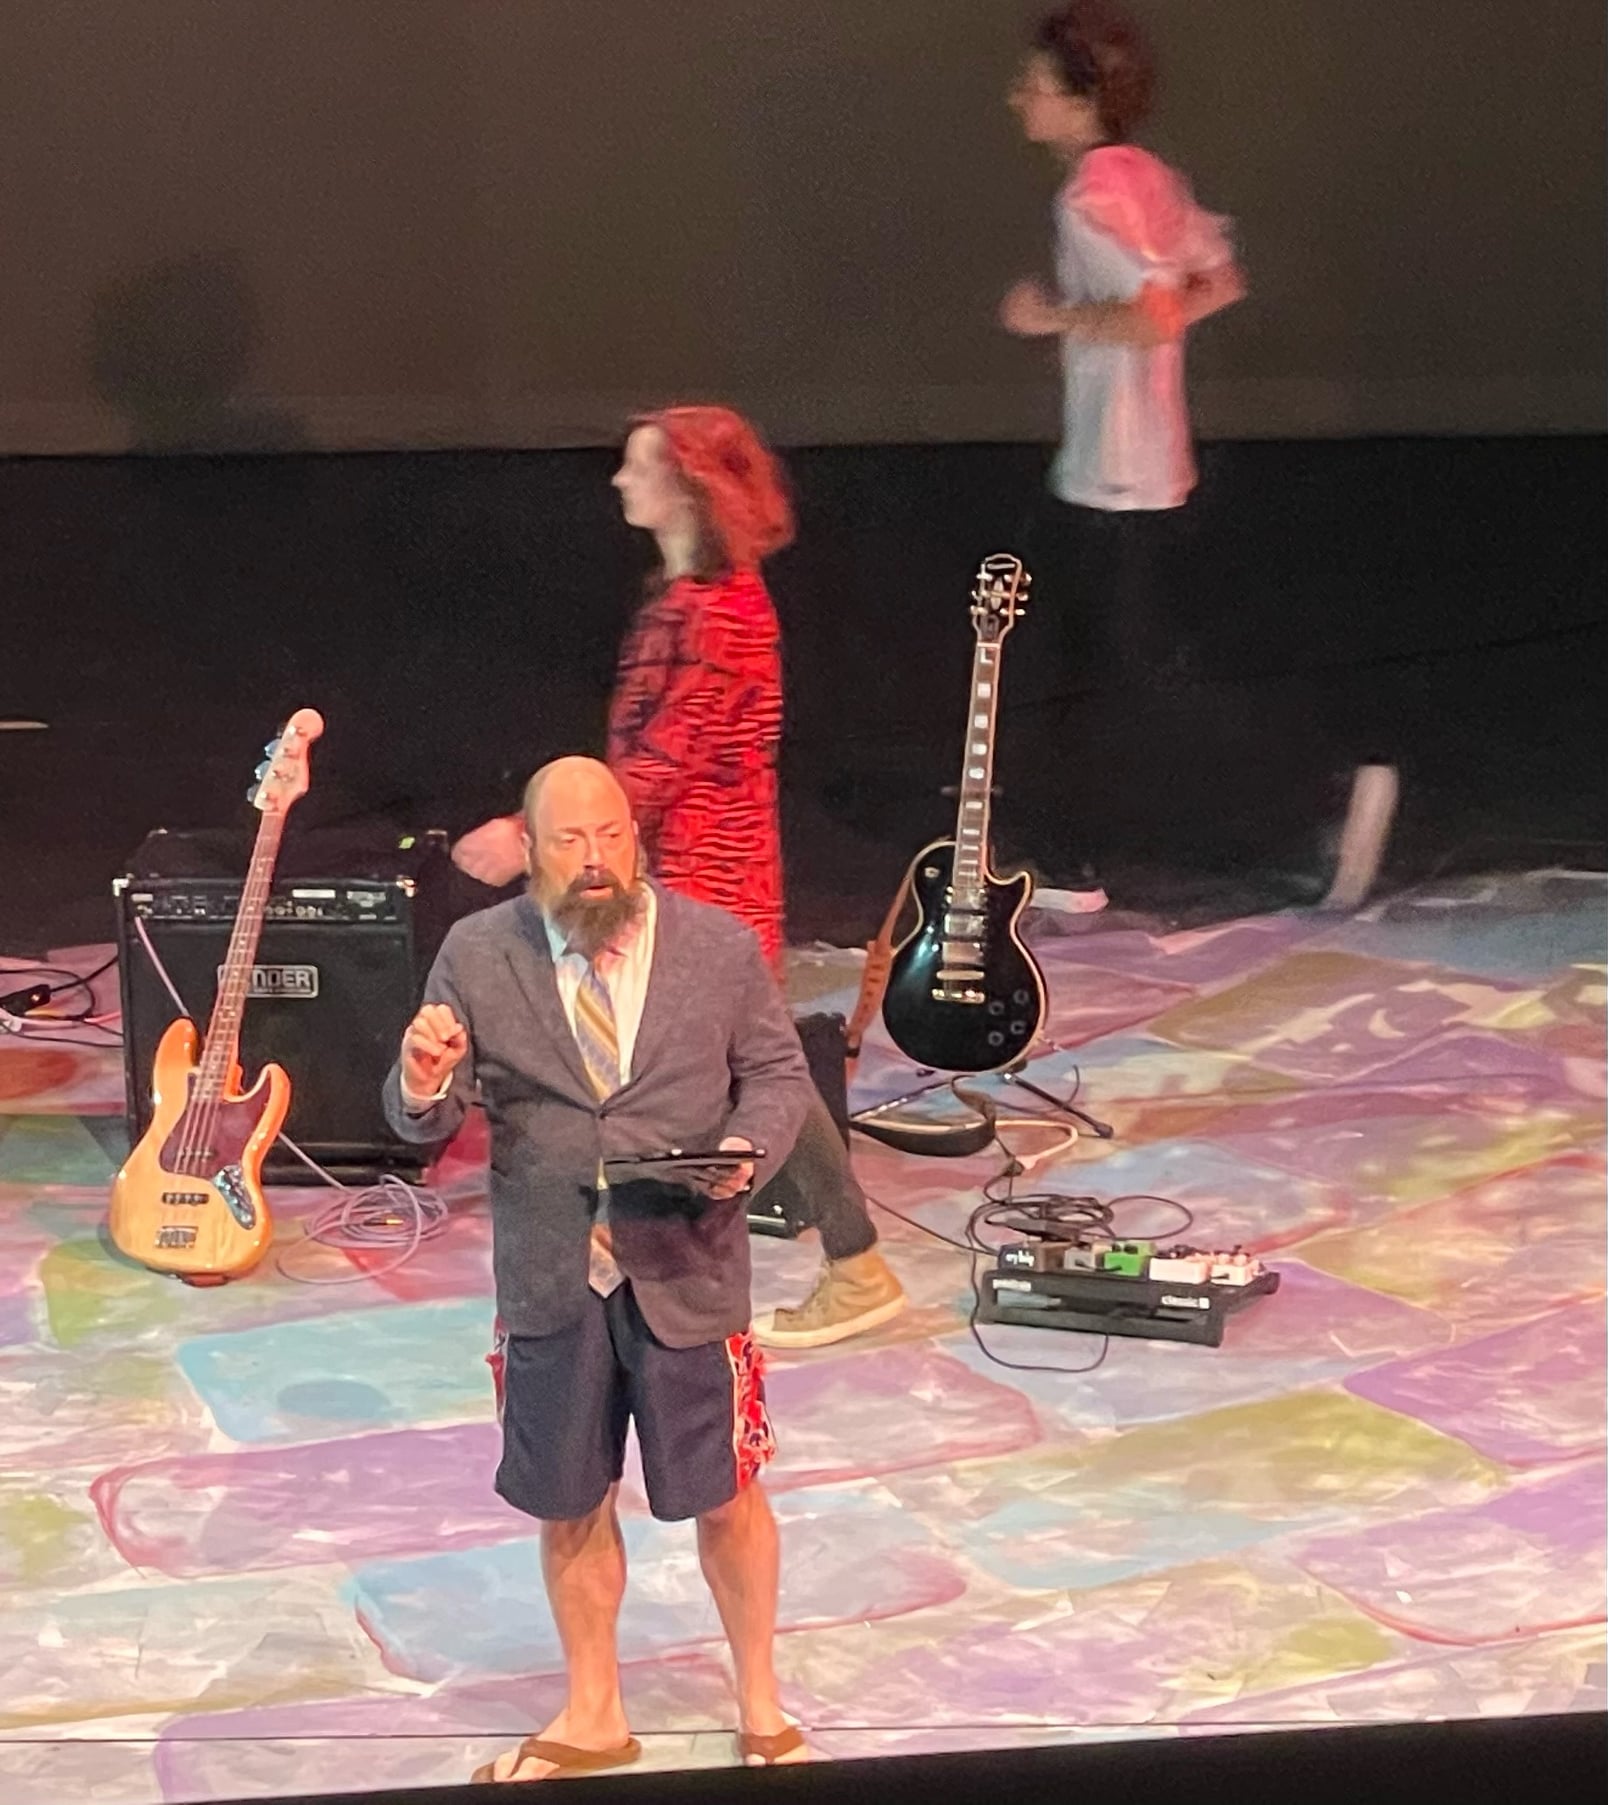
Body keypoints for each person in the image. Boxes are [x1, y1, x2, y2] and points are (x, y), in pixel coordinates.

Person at [385, 756, 814, 1780]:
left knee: (727, 1493)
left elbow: (777, 1072)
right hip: (553, 1275)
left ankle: (760, 1699)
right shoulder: (477, 951)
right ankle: (593, 1712)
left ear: (636, 838)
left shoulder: (715, 945)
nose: (595, 858)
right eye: (571, 839)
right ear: (529, 849)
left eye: (612, 834)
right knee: (570, 1501)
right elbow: (421, 1118)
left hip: (686, 1265)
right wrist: (420, 1078)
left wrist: (748, 1151)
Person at [452, 405, 906, 1349]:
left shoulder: (716, 612)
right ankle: (645, 1234)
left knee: (754, 1064)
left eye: (639, 467)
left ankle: (855, 1261)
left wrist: (532, 833)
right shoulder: (696, 596)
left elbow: (662, 761)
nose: (621, 481)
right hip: (690, 860)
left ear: (689, 488)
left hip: (709, 871)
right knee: (688, 1052)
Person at [999, 1, 1246, 892]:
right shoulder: (1144, 176)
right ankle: (1071, 849)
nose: (1017, 97)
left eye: (1034, 84)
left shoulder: (1090, 195)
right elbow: (1216, 280)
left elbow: (1153, 315)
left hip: (1112, 469)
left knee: (1101, 663)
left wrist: (1052, 318)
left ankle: (1299, 798)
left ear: (1084, 98)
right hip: (1144, 462)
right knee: (1100, 656)